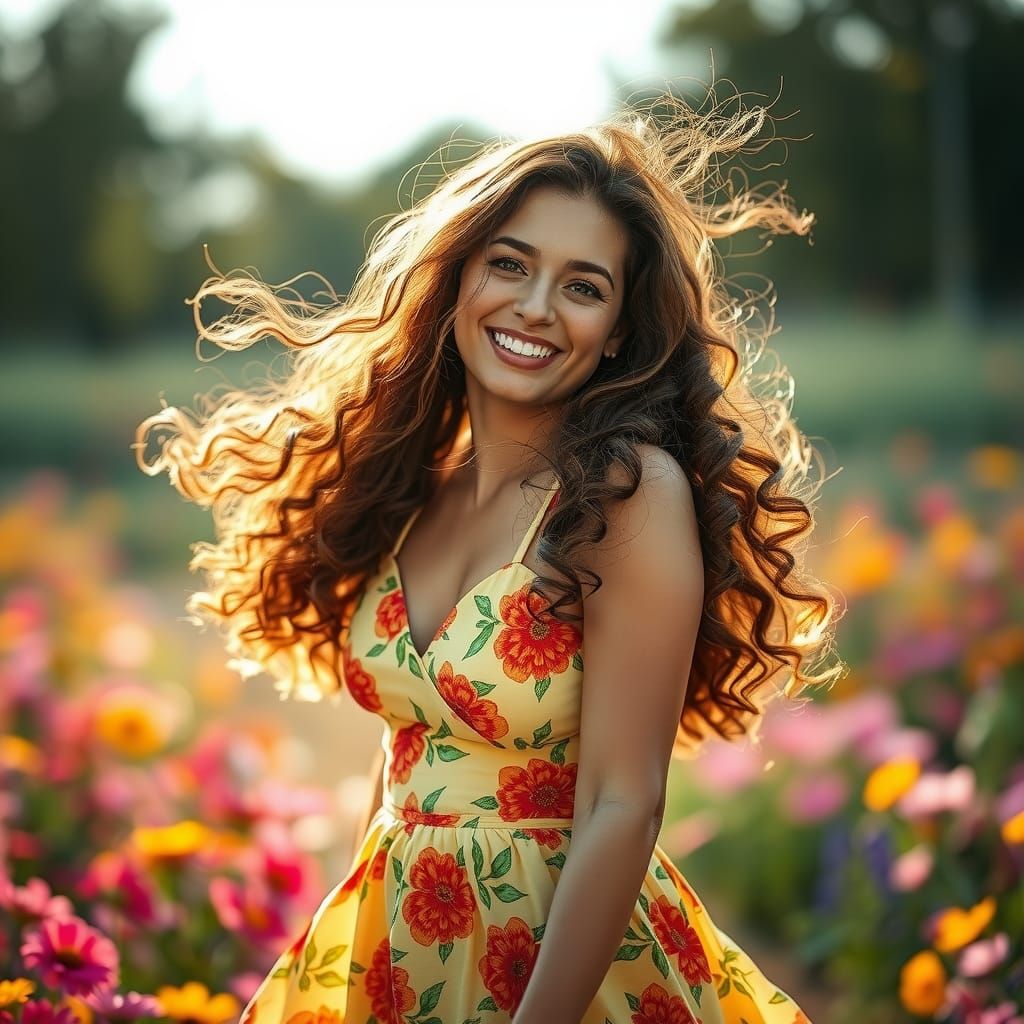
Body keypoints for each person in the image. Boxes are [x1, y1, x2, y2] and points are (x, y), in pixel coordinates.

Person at [136, 83, 846, 1024]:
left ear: (621, 331)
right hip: (401, 950)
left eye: (583, 286)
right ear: (459, 277)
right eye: (509, 264)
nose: (537, 306)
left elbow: (623, 805)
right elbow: (405, 770)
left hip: (564, 975)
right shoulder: (415, 489)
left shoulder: (627, 496)